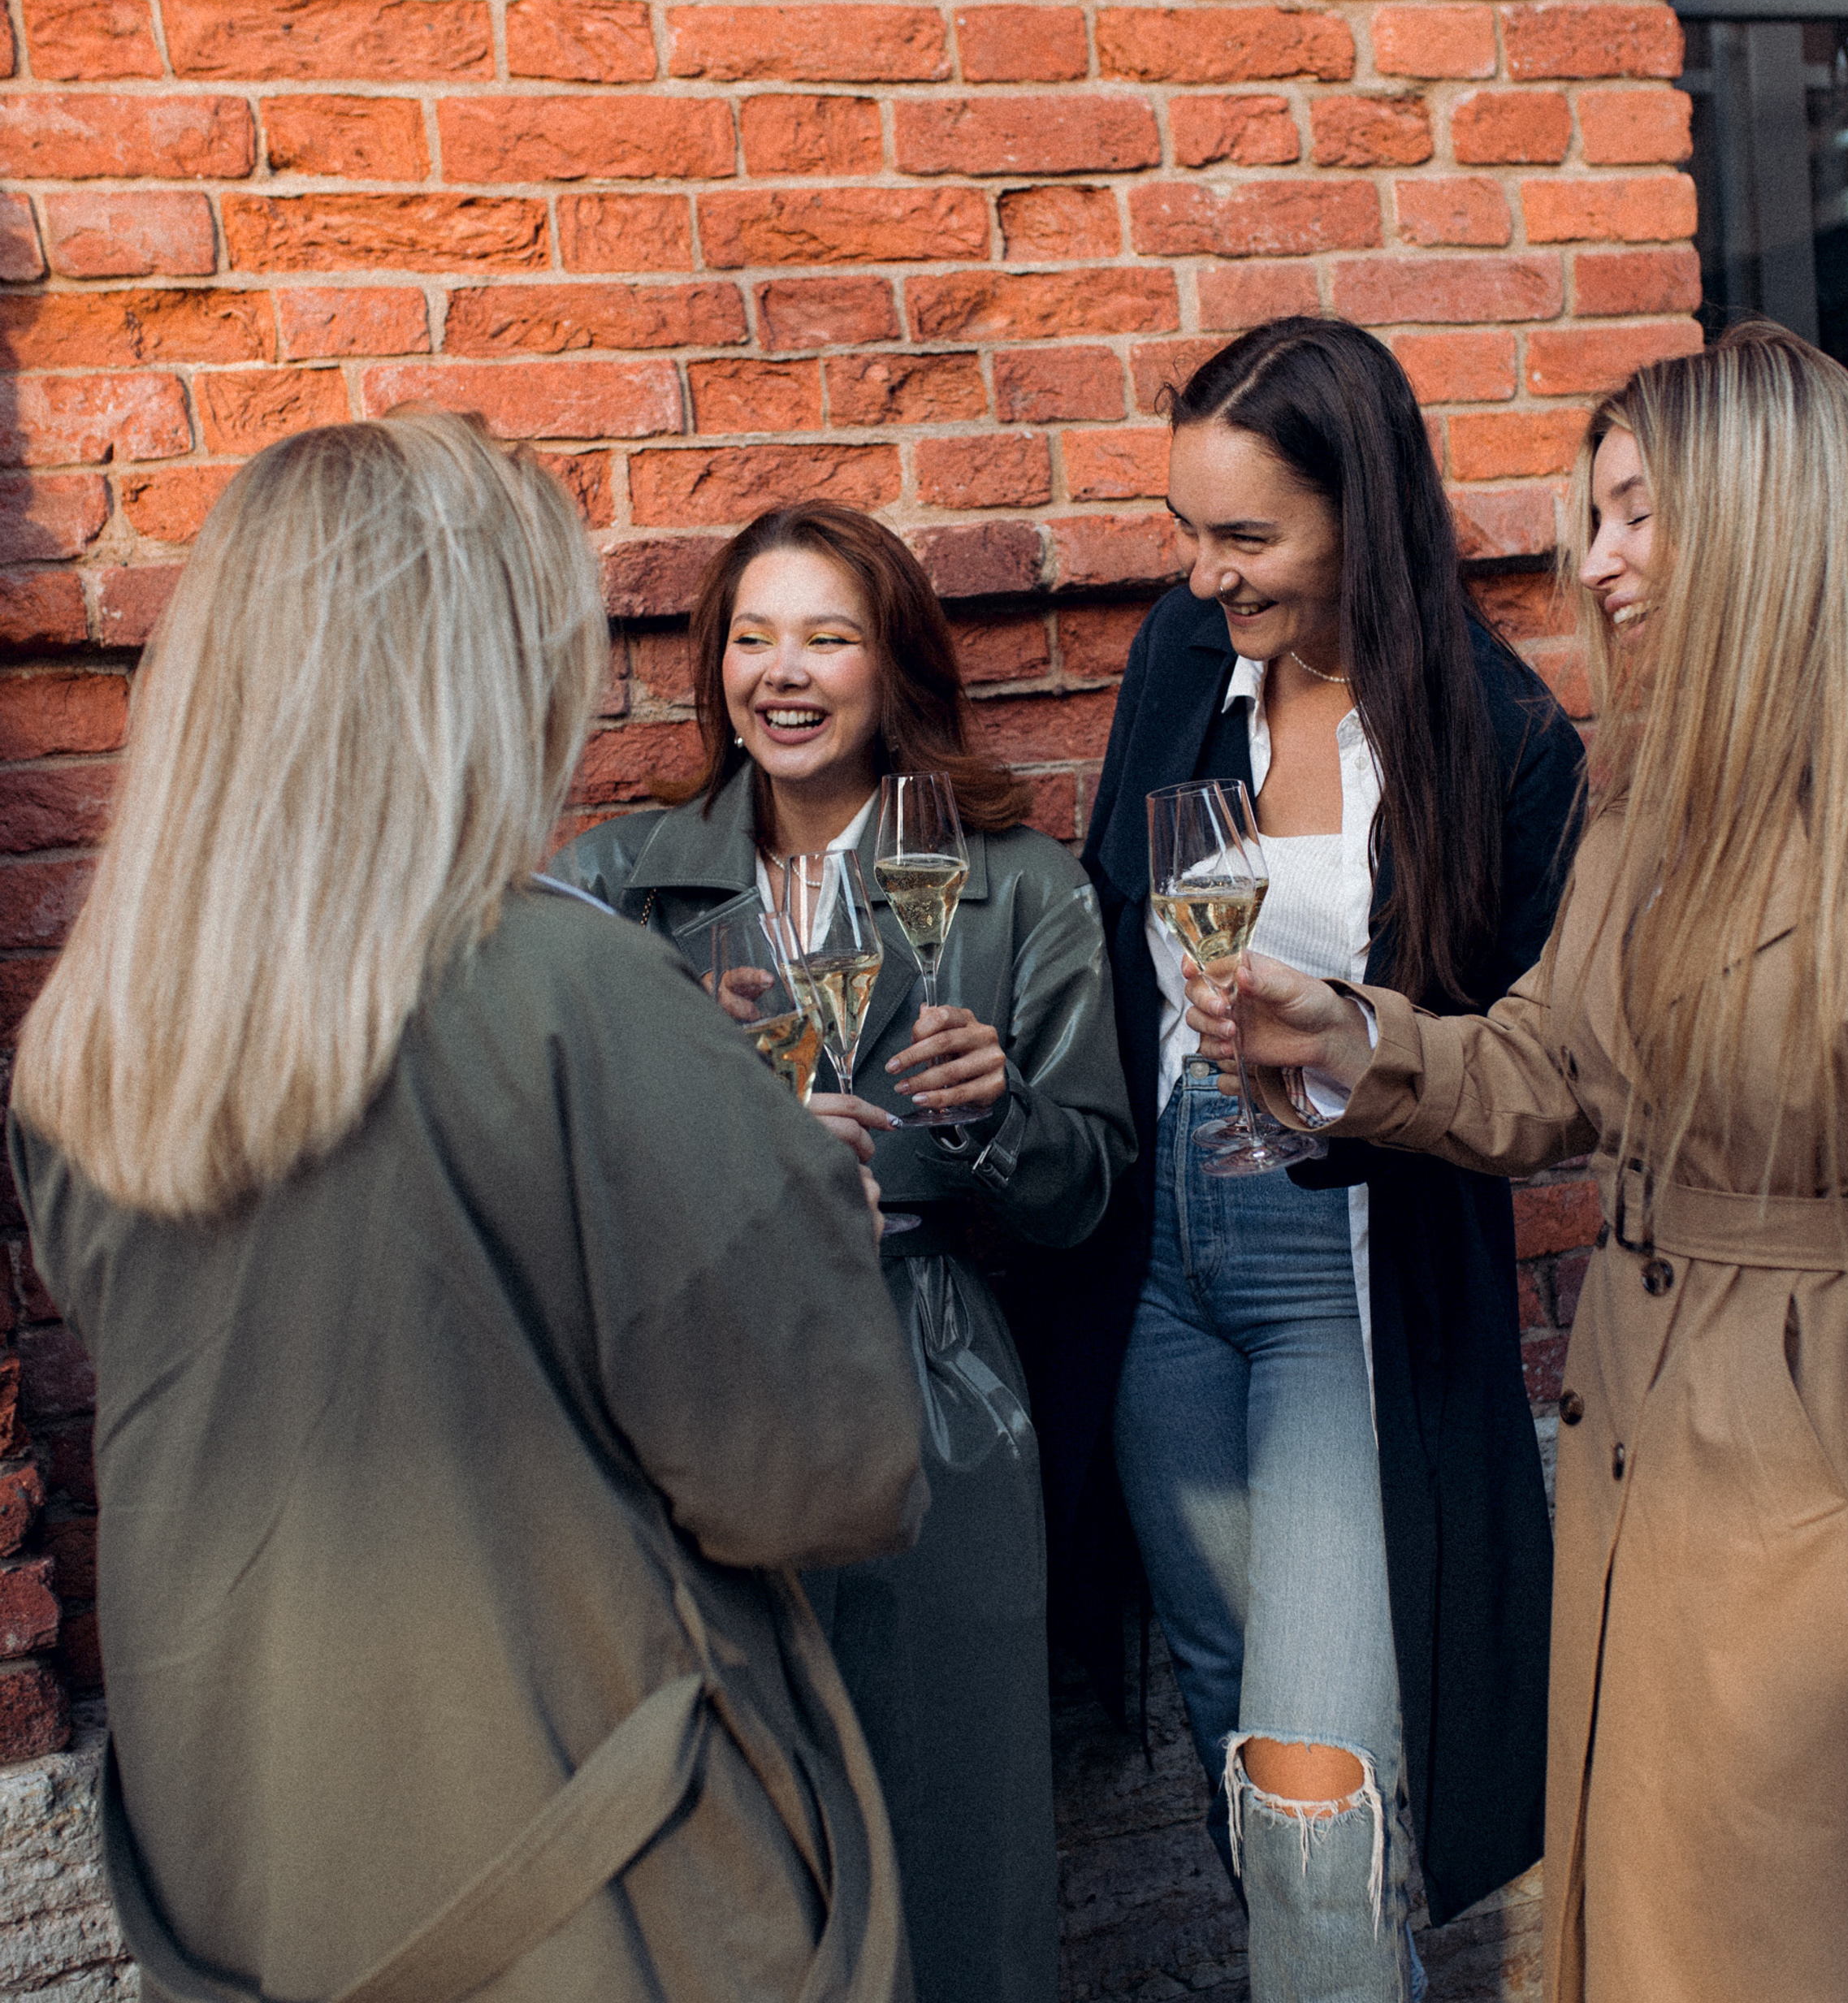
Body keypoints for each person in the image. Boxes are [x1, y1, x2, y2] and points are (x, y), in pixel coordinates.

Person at [1187, 322, 1848, 2003]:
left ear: (1763, 517)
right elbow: (1554, 1065)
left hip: (1833, 1478)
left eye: (1635, 516)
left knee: (1816, 1949)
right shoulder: (1658, 788)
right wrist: (1347, 1036)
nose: (1593, 563)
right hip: (1648, 1459)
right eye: (1592, 518)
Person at [7, 412, 928, 2003]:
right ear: (481, 673)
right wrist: (796, 1213)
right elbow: (822, 1474)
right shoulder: (572, 993)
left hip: (253, 1892)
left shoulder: (98, 1045)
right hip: (590, 1880)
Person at [551, 501, 1135, 2003]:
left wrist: (999, 1118)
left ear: (896, 665)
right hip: (696, 1394)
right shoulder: (613, 890)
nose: (784, 673)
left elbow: (1089, 1196)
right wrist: (724, 1143)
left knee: (959, 1824)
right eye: (752, 638)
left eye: (828, 637)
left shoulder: (1022, 885)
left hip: (936, 1382)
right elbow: (553, 1183)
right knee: (738, 1838)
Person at [1075, 315, 1585, 2001]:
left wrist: (1347, 1033)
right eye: (1186, 529)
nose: (1201, 572)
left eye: (1245, 535)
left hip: (1340, 1273)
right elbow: (1109, 909)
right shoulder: (1179, 657)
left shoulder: (1501, 738)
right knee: (1243, 1734)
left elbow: (1537, 1068)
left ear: (1362, 513)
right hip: (1164, 1262)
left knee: (1317, 1795)